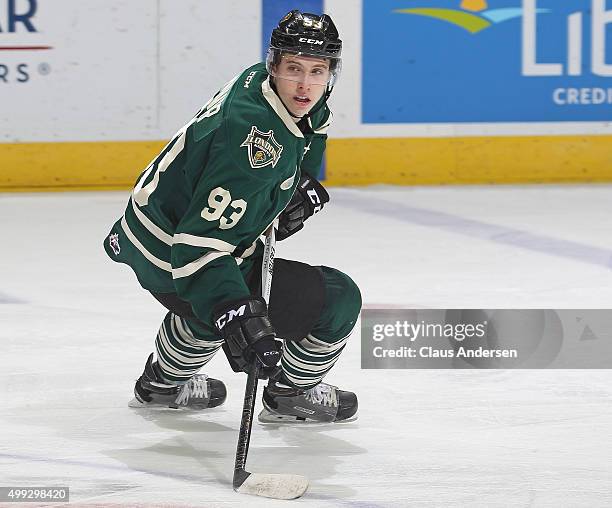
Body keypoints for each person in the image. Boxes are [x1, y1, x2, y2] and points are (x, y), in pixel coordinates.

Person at [103, 10, 361, 423]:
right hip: (177, 258)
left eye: (317, 70)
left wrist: (301, 180)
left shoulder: (256, 83)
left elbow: (311, 125)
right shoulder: (254, 150)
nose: (305, 84)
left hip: (144, 238)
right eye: (293, 68)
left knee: (205, 308)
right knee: (339, 298)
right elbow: (199, 251)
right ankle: (290, 393)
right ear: (275, 63)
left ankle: (162, 384)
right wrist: (237, 312)